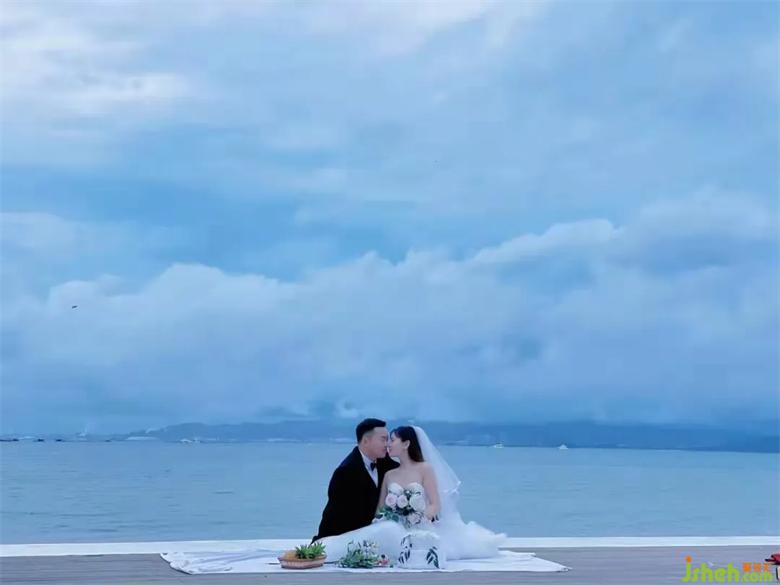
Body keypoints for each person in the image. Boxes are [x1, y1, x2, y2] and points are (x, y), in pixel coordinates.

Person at [313, 418, 399, 541]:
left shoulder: (386, 463)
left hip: (379, 536)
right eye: (383, 439)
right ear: (366, 441)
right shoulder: (345, 472)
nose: (387, 444)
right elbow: (335, 514)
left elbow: (404, 471)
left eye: (388, 440)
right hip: (349, 538)